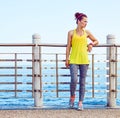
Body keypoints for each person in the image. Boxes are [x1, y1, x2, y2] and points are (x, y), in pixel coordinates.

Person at [65, 12, 99, 110]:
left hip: (84, 60)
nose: (86, 23)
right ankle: (72, 97)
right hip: (74, 60)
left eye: (87, 22)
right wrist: (67, 58)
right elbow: (68, 47)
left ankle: (80, 102)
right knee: (74, 80)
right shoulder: (71, 32)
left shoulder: (87, 32)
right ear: (79, 21)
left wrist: (91, 44)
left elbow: (97, 41)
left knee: (82, 82)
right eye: (84, 21)